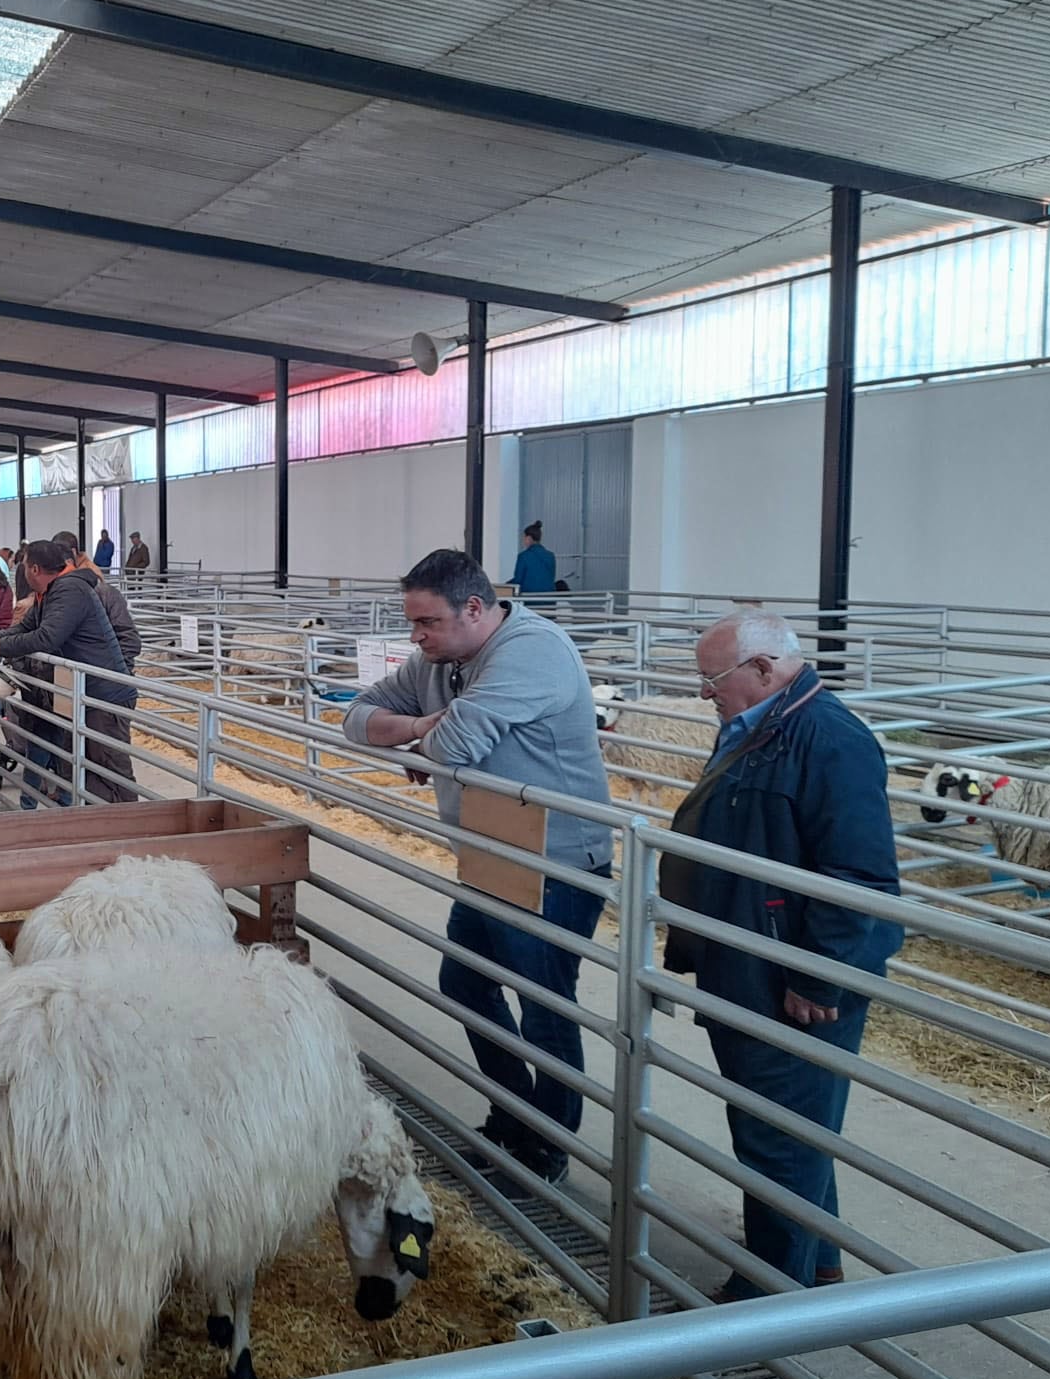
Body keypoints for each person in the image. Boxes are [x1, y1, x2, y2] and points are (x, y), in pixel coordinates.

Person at [342, 549, 612, 1183]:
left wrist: (425, 739)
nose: (416, 636)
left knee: (545, 1003)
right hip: (490, 853)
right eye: (414, 623)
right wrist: (420, 726)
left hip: (554, 860)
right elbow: (355, 717)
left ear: (473, 608)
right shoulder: (442, 659)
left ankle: (546, 1144)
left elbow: (455, 743)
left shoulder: (532, 650)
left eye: (427, 622)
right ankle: (515, 1113)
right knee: (465, 982)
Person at [660, 610, 901, 1301]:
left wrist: (815, 974)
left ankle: (770, 1291)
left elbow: (860, 875)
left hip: (787, 977)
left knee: (777, 1136)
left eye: (714, 680)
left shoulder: (829, 740)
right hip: (748, 959)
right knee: (795, 1125)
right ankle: (818, 1261)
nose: (707, 694)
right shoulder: (763, 726)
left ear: (764, 670)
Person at [0, 540, 137, 804]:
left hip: (104, 696)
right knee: (87, 771)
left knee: (110, 770)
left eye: (25, 566)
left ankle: (133, 833)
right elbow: (27, 627)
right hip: (85, 694)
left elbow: (47, 637)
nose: (22, 571)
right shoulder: (51, 593)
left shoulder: (69, 590)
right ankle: (103, 830)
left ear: (35, 570)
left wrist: (1, 647)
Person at [53, 530, 141, 672]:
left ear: (72, 554)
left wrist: (118, 671)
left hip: (101, 671)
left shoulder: (97, 584)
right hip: (78, 671)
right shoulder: (59, 586)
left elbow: (128, 637)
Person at [512, 521, 557, 595]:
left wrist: (506, 585)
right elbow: (551, 578)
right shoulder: (550, 556)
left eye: (524, 538)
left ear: (529, 538)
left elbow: (518, 580)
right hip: (549, 599)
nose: (524, 541)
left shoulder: (524, 556)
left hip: (529, 599)